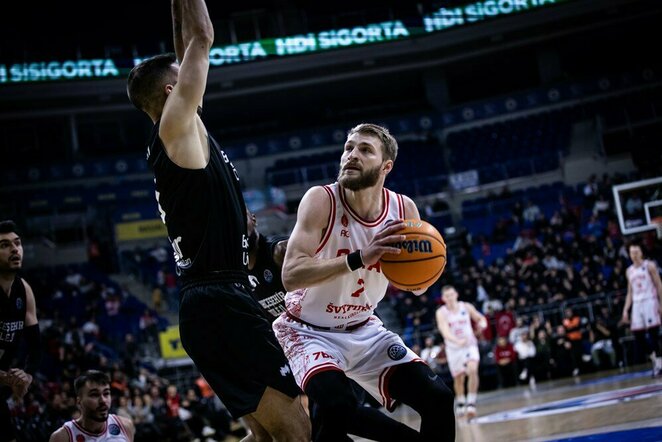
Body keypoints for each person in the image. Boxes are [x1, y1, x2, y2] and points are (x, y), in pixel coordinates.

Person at [125, 1, 310, 440]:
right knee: (297, 432)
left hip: (206, 302)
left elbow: (188, 43)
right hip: (221, 299)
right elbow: (203, 39)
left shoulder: (180, 133)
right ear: (173, 93)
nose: (198, 76)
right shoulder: (176, 128)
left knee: (264, 436)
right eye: (187, 74)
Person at [273, 123, 455, 442]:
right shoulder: (321, 200)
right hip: (308, 331)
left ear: (386, 167)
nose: (352, 155)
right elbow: (290, 275)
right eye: (349, 148)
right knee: (336, 405)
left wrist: (418, 280)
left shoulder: (402, 210)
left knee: (438, 397)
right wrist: (360, 257)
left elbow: (418, 285)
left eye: (365, 150)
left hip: (364, 328)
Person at [246, 208, 419, 441]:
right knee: (326, 429)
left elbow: (338, 270)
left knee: (339, 415)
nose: (236, 224)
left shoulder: (280, 252)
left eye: (240, 215)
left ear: (253, 219)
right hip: (309, 351)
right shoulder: (240, 277)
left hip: (340, 335)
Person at [0, 220, 41, 442]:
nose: (14, 249)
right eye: (4, 245)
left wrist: (27, 374)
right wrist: (9, 379)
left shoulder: (24, 289)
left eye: (17, 243)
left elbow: (36, 347)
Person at [436, 285, 488, 420]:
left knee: (472, 369)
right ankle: (460, 402)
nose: (450, 298)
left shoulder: (466, 307)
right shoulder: (441, 313)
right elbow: (445, 331)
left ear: (456, 294)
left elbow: (480, 318)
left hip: (469, 344)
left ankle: (471, 403)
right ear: (443, 298)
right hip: (453, 348)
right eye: (447, 296)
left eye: (452, 294)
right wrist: (456, 341)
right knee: (459, 378)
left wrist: (483, 323)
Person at [49, 370, 135, 441]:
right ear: (79, 402)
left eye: (106, 393)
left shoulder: (125, 426)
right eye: (94, 394)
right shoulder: (62, 437)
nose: (103, 400)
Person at [621, 242, 662, 377]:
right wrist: (626, 310)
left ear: (641, 252)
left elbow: (659, 285)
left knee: (653, 334)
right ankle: (655, 359)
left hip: (650, 300)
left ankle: (660, 365)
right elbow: (630, 292)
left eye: (636, 252)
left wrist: (661, 303)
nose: (634, 255)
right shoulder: (629, 271)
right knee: (638, 336)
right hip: (637, 304)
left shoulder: (649, 266)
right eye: (632, 252)